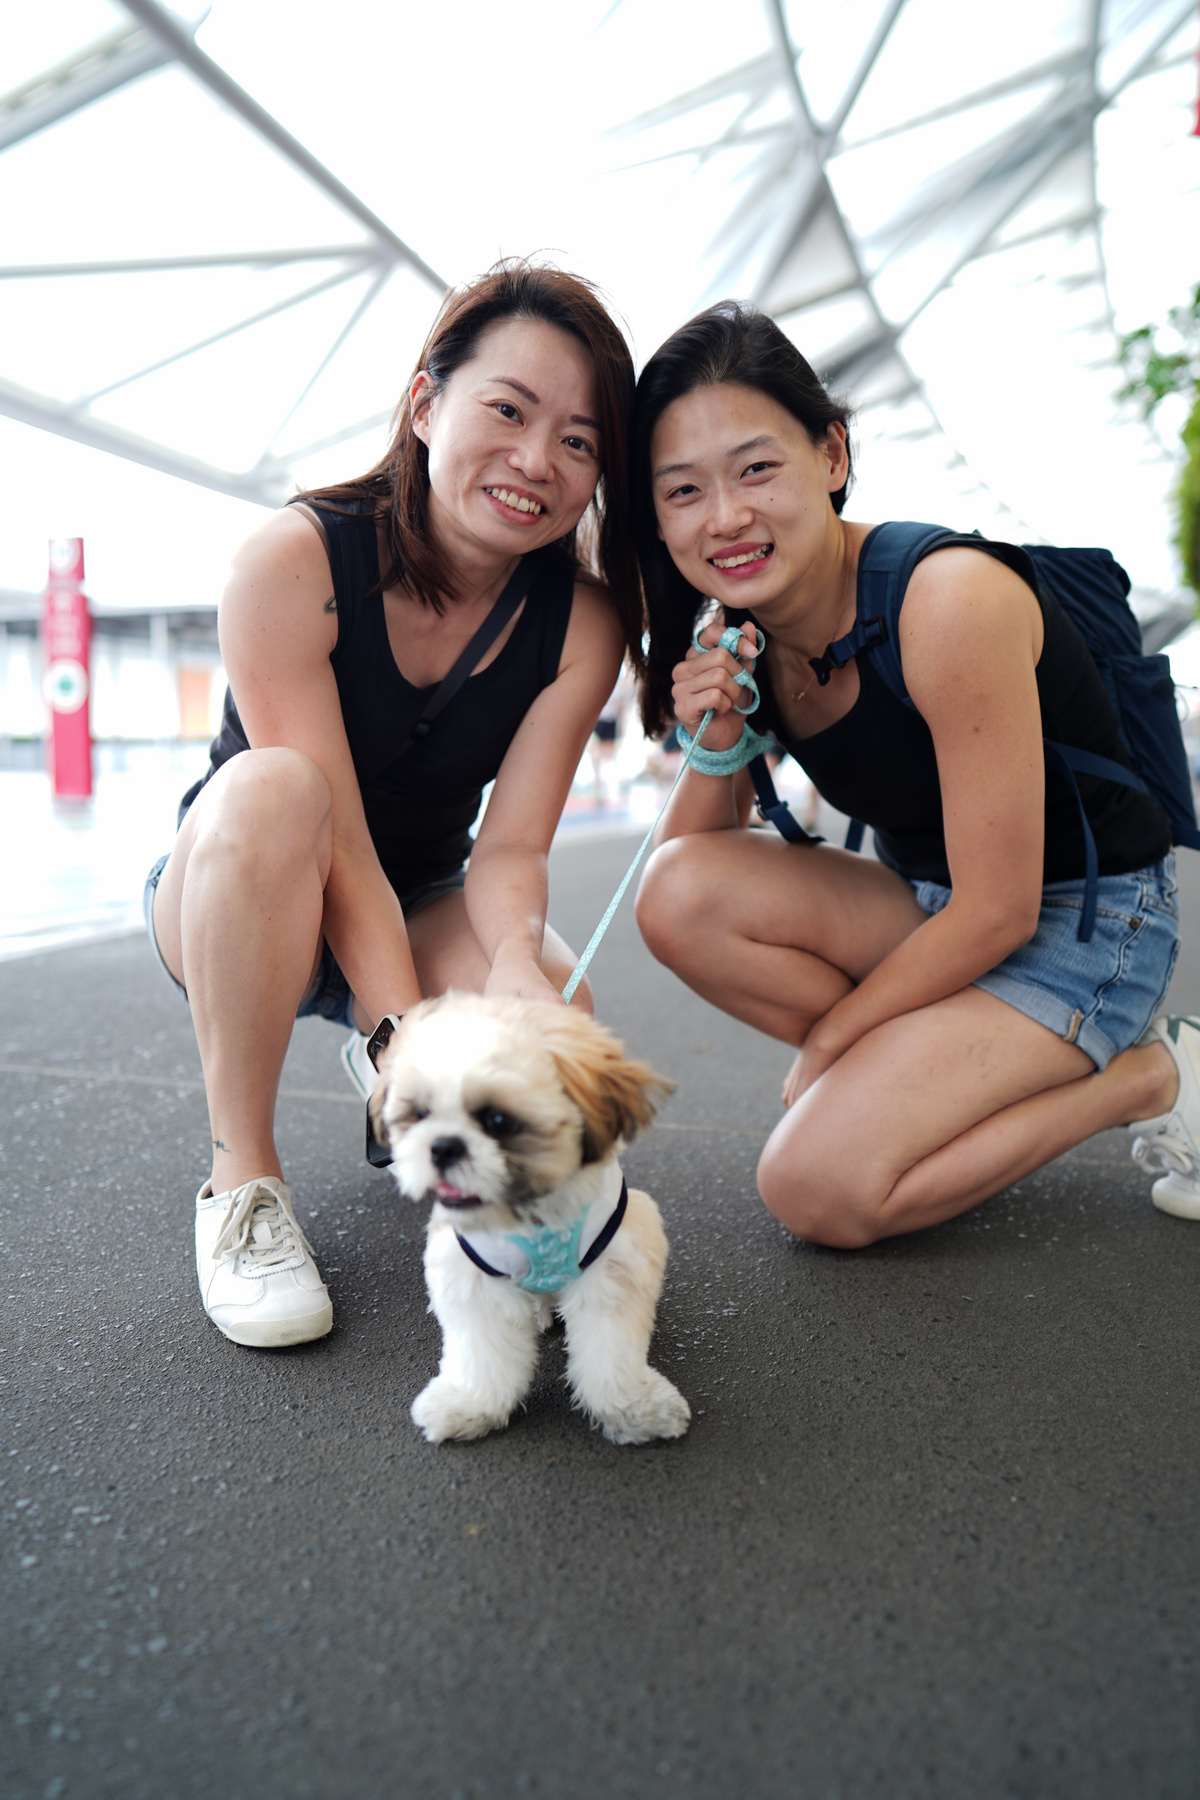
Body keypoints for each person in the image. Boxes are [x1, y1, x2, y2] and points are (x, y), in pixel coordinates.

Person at [631, 301, 1199, 1249]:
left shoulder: (947, 600)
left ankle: (1152, 1077)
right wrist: (721, 729)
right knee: (674, 893)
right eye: (684, 490)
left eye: (756, 469)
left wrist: (837, 1037)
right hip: (934, 909)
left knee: (814, 1189)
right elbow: (688, 874)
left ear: (832, 456)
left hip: (1080, 925)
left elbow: (1001, 911)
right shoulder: (744, 627)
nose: (725, 518)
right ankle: (927, 1087)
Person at [144, 261, 640, 1346]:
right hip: (245, 885)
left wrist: (515, 964)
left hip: (420, 894)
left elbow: (510, 849)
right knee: (275, 786)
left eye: (579, 441)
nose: (537, 460)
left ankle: (425, 1095)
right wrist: (402, 1028)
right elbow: (336, 844)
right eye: (508, 411)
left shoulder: (582, 622)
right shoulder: (291, 560)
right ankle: (242, 1185)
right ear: (425, 403)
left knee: (555, 999)